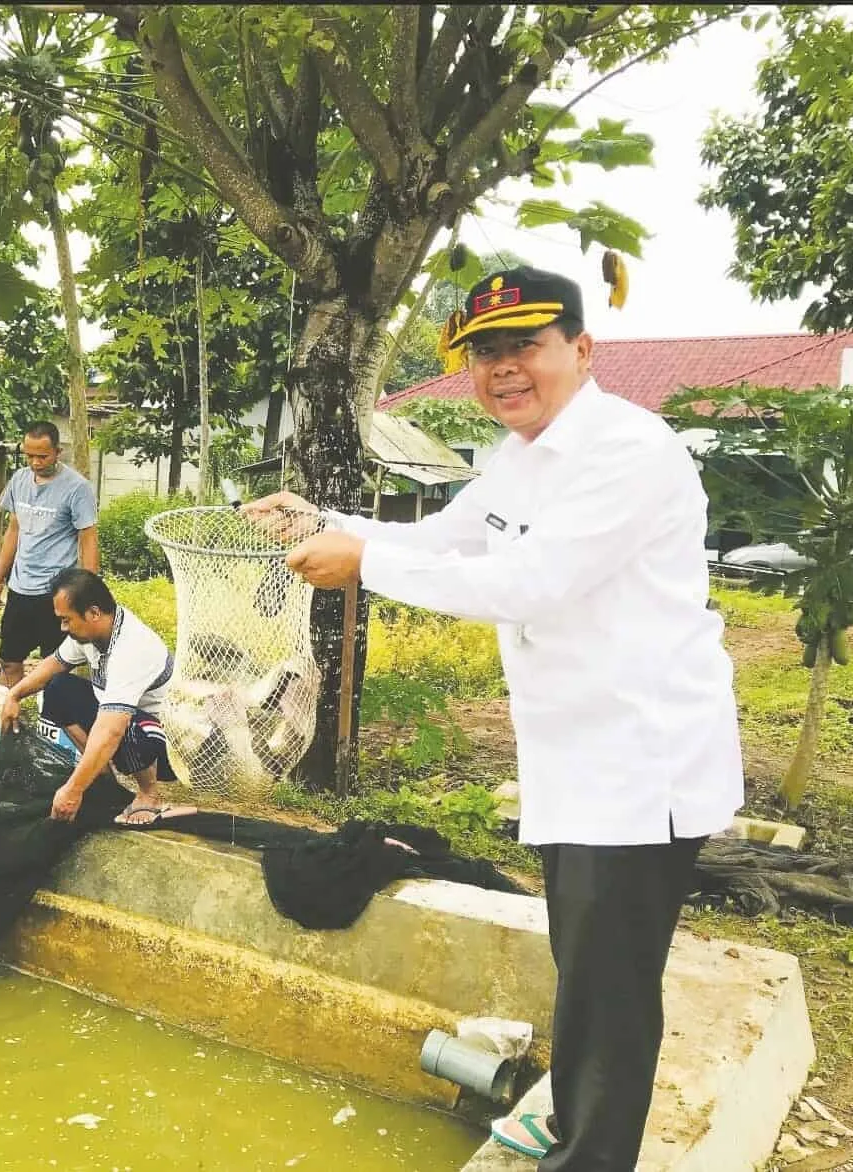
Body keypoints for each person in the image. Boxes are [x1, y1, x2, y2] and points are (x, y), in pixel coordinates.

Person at [244, 265, 743, 1172]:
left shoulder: (630, 452)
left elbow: (530, 581)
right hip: (578, 764)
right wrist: (327, 521)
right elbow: (442, 541)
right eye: (485, 353)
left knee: (610, 987)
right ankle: (572, 1128)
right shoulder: (522, 459)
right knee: (584, 965)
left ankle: (591, 1157)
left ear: (583, 350)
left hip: (638, 768)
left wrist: (362, 560)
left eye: (526, 346)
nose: (503, 369)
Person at [0, 568, 194, 827]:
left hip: (167, 745)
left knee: (120, 726)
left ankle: (150, 796)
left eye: (67, 620)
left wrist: (72, 790)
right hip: (129, 723)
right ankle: (103, 782)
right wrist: (15, 694)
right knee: (58, 689)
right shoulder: (91, 634)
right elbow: (54, 664)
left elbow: (111, 729)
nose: (62, 627)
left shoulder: (132, 648)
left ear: (93, 613)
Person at [0, 421, 100, 688]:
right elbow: (13, 530)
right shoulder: (19, 480)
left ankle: (50, 720)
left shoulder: (77, 487)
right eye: (29, 455)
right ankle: (13, 717)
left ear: (58, 451)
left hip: (56, 592)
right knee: (10, 661)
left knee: (56, 666)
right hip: (20, 588)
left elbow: (88, 539)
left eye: (42, 456)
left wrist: (88, 590)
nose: (35, 462)